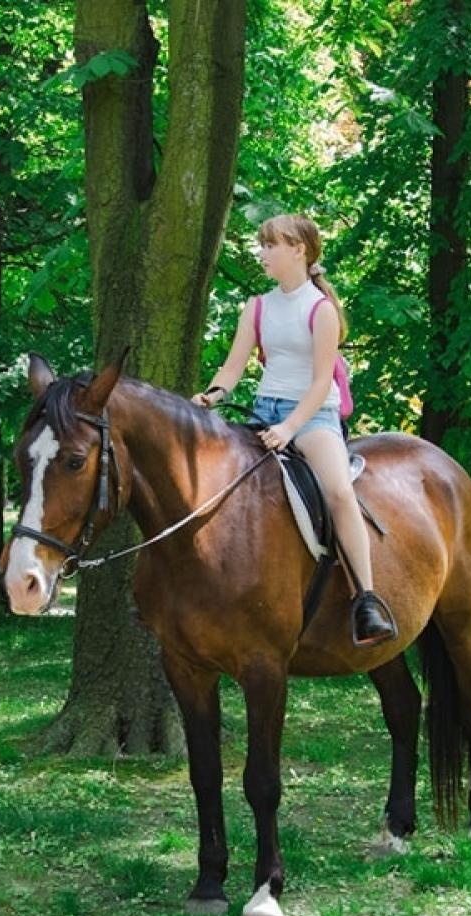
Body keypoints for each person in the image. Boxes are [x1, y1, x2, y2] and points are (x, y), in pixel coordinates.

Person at [194, 212, 395, 647]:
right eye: (262, 244)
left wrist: (289, 427)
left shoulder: (320, 310)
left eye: (271, 245)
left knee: (339, 492)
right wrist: (212, 396)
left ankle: (367, 598)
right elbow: (232, 367)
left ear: (299, 249)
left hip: (312, 416)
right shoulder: (258, 306)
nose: (262, 253)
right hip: (263, 411)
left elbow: (322, 380)